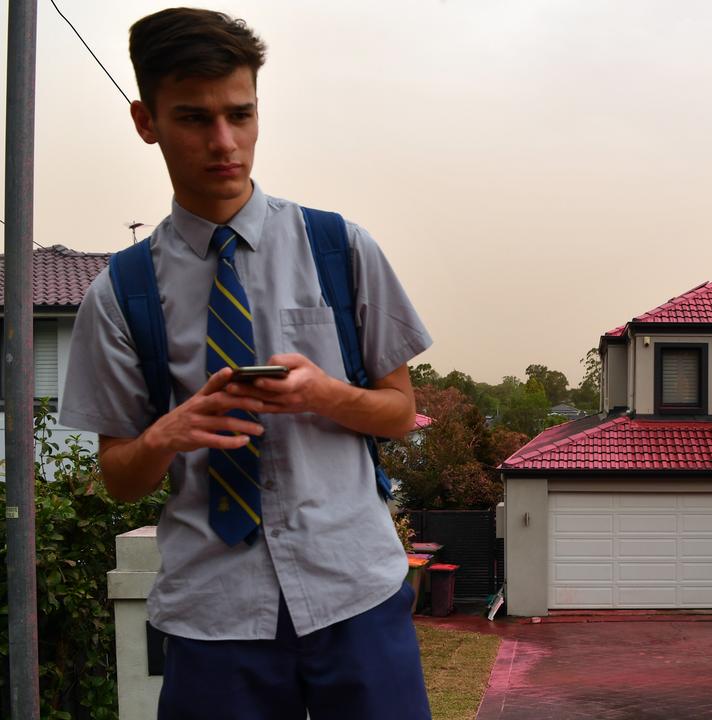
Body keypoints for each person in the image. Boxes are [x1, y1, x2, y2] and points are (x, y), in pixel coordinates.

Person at [59, 8, 433, 719]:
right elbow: (118, 476)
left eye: (241, 114)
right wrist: (169, 432)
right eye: (195, 118)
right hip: (214, 614)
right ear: (147, 121)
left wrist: (325, 394)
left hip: (354, 593)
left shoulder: (339, 248)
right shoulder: (120, 293)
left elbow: (401, 411)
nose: (224, 143)